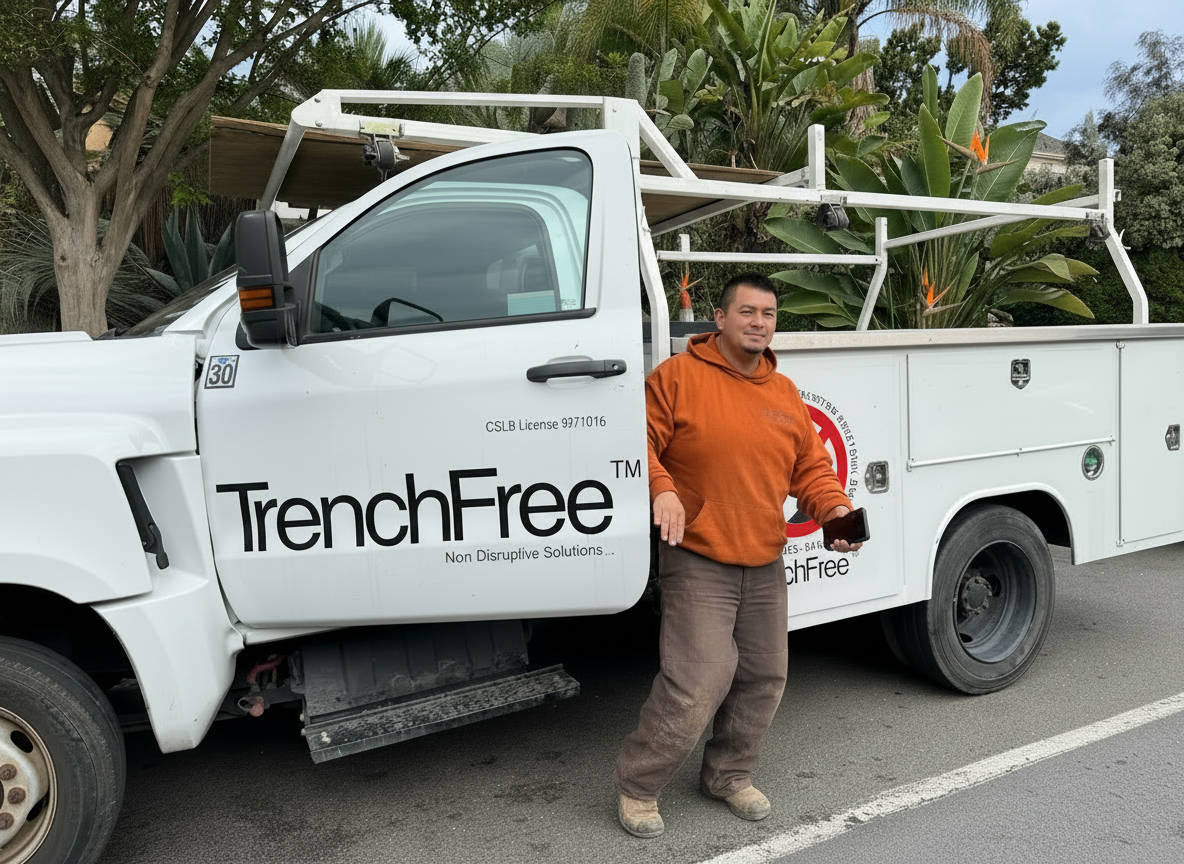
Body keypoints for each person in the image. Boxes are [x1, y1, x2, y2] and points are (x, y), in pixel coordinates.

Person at [614, 273, 864, 839]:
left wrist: (834, 513)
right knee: (698, 680)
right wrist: (663, 489)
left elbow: (813, 471)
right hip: (699, 555)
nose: (759, 323)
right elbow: (638, 442)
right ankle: (638, 785)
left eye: (769, 314)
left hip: (763, 559)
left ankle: (728, 775)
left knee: (763, 676)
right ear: (720, 319)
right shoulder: (676, 377)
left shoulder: (783, 394)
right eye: (747, 312)